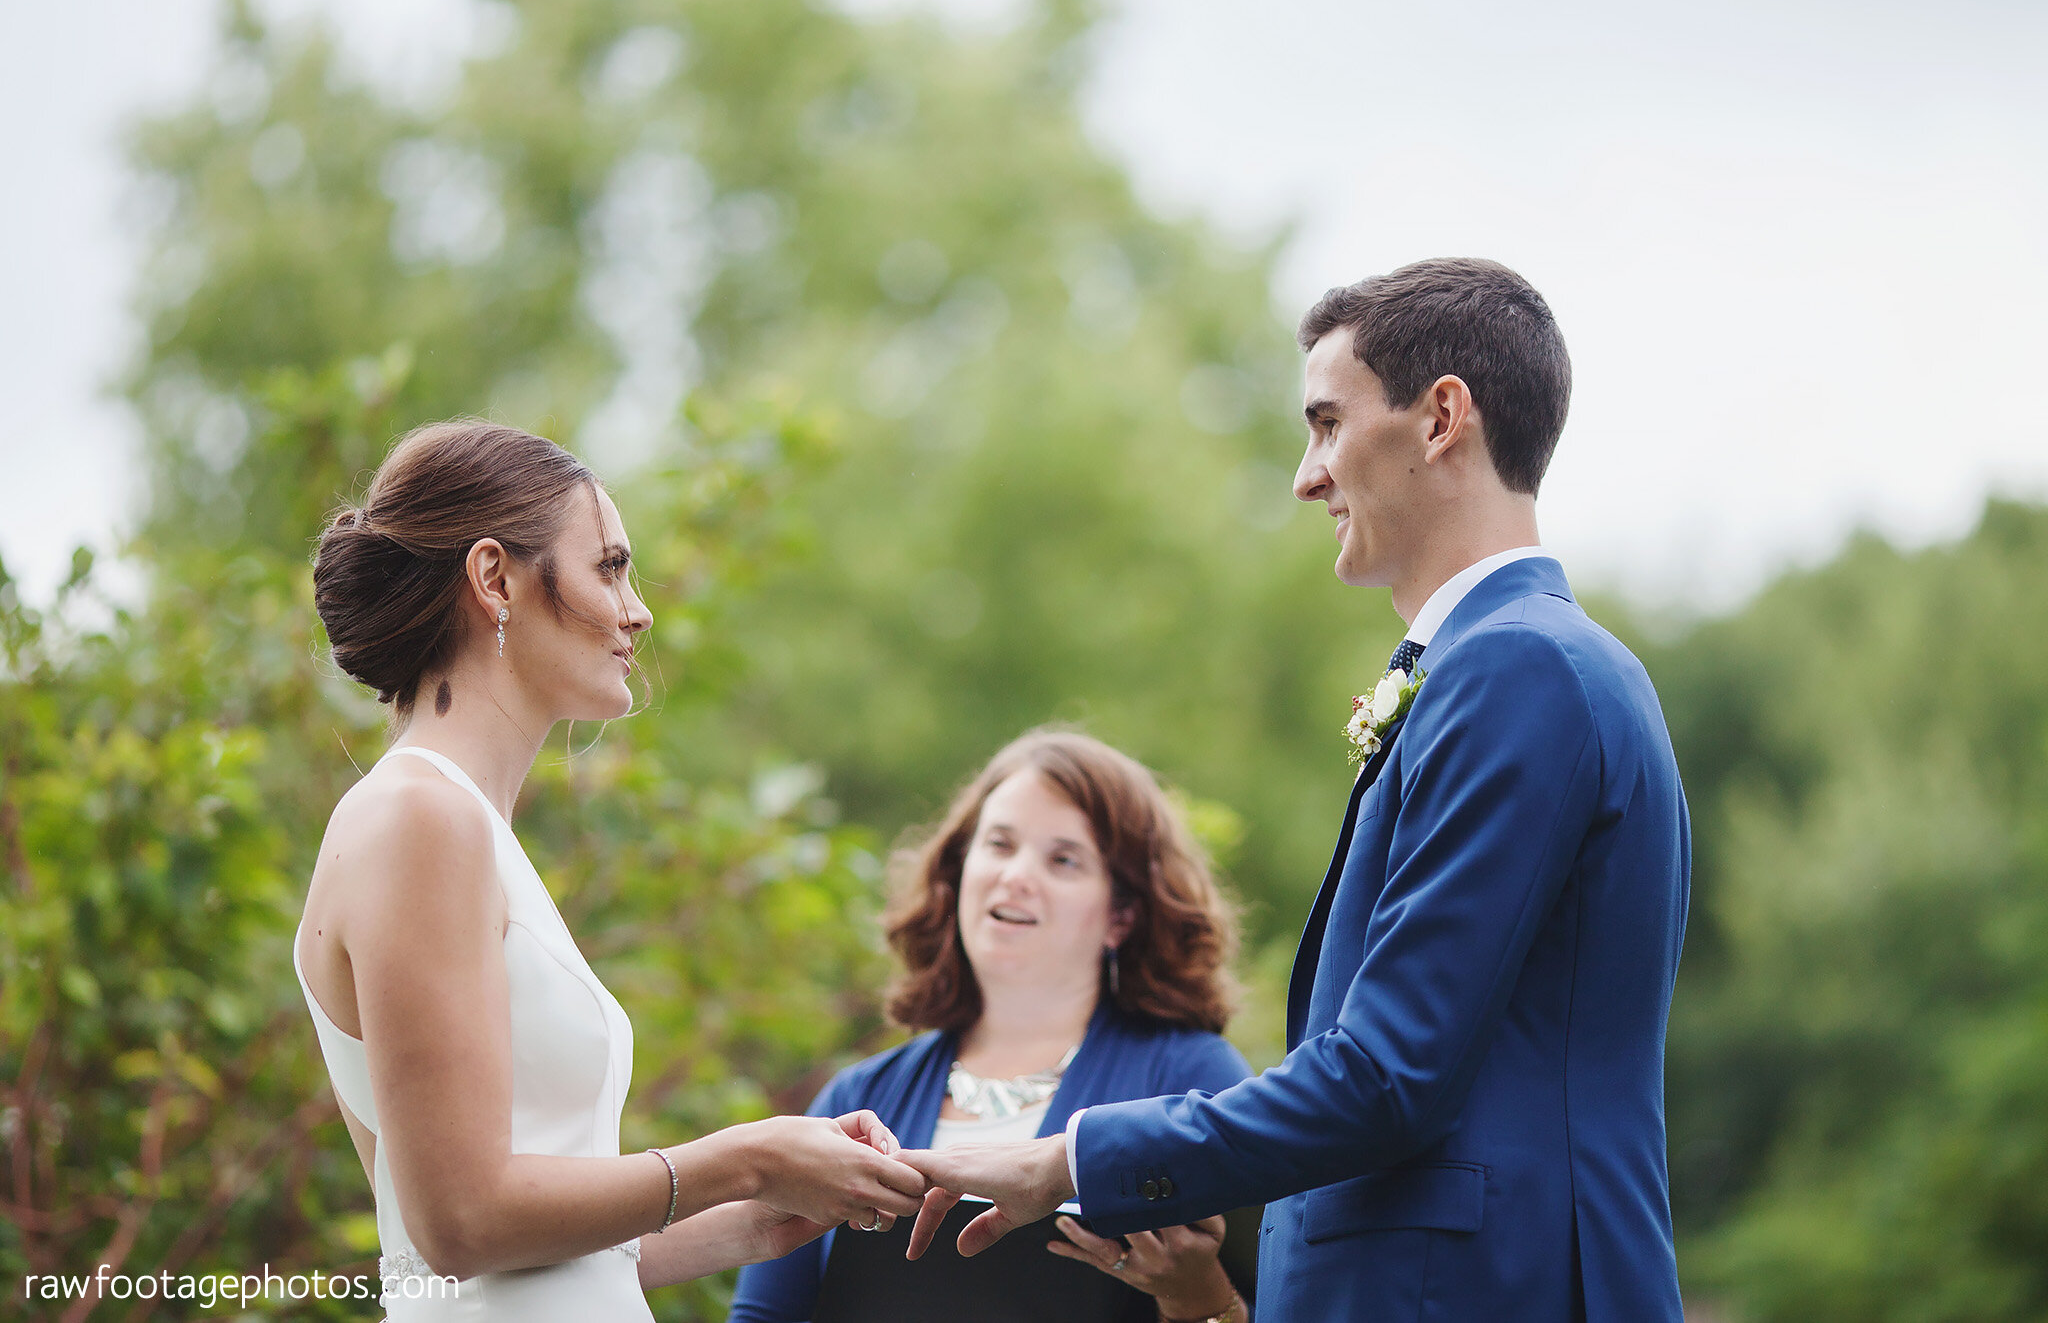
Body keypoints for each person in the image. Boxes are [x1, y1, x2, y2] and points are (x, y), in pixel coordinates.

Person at [899, 259, 1692, 1323]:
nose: (1304, 475)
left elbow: (1386, 1076)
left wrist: (1063, 1160)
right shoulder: (1495, 666)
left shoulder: (1520, 669)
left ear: (1440, 418)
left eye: (1326, 423)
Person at [293, 420, 926, 1319]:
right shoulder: (419, 817)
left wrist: (757, 1211)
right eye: (611, 566)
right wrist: (744, 1155)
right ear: (493, 578)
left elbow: (508, 1262)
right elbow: (459, 1223)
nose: (640, 609)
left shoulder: (460, 824)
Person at [729, 729, 1255, 1323]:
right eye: (1000, 845)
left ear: (1121, 915)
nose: (1016, 876)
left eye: (1063, 859)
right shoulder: (857, 1097)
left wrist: (1196, 1299)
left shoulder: (1194, 1080)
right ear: (959, 873)